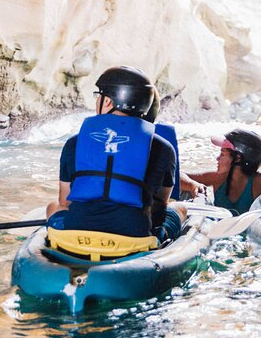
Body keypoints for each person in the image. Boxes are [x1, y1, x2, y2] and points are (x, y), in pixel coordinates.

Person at [46, 66, 186, 243]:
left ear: (108, 102)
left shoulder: (74, 142)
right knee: (179, 208)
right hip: (134, 239)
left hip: (77, 235)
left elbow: (65, 202)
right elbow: (160, 204)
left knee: (54, 207)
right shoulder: (163, 147)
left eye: (99, 96)